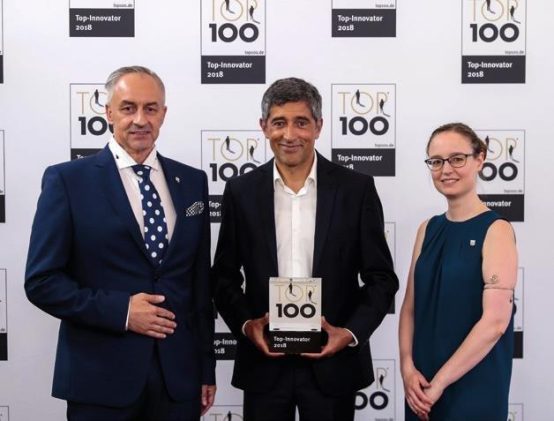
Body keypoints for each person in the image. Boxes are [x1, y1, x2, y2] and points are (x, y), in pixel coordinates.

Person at [25, 66, 216, 420]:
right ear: (109, 113)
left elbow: (199, 285)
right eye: (128, 108)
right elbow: (42, 282)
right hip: (99, 380)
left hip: (178, 381)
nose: (140, 119)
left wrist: (206, 367)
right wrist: (123, 312)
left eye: (151, 108)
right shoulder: (68, 181)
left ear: (163, 114)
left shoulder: (193, 182)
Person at [211, 77, 398, 421]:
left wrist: (349, 334)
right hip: (264, 364)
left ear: (319, 126)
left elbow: (381, 278)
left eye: (301, 122)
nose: (289, 134)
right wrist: (247, 325)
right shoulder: (240, 191)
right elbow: (223, 277)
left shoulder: (356, 189)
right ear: (264, 127)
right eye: (279, 122)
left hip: (333, 364)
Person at [399, 122, 517, 420]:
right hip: (421, 387)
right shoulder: (428, 229)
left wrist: (440, 383)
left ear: (480, 159)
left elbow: (496, 322)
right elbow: (410, 308)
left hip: (474, 387)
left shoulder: (497, 230)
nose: (446, 169)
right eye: (436, 161)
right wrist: (407, 368)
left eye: (457, 159)